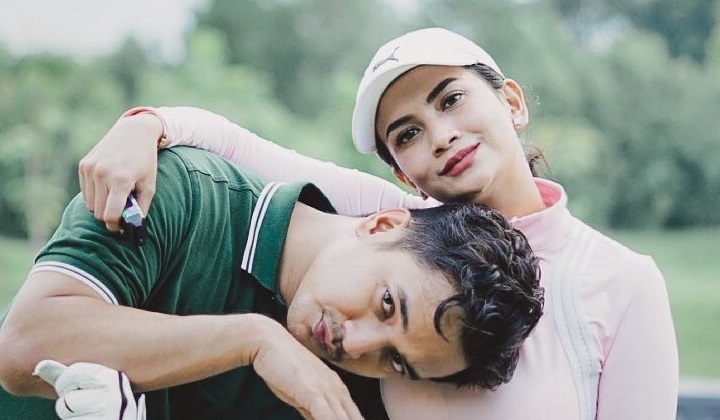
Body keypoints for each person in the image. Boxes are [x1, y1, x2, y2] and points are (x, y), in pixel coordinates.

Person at [67, 27, 677, 419]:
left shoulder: (621, 282)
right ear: (402, 179)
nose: (441, 136)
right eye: (406, 134)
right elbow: (235, 144)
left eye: (451, 99)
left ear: (511, 102)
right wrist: (143, 126)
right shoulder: (397, 233)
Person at [0, 146, 544, 420]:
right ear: (382, 224)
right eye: (385, 304)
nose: (355, 346)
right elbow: (24, 347)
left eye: (396, 362)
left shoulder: (344, 395)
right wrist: (252, 340)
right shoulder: (186, 191)